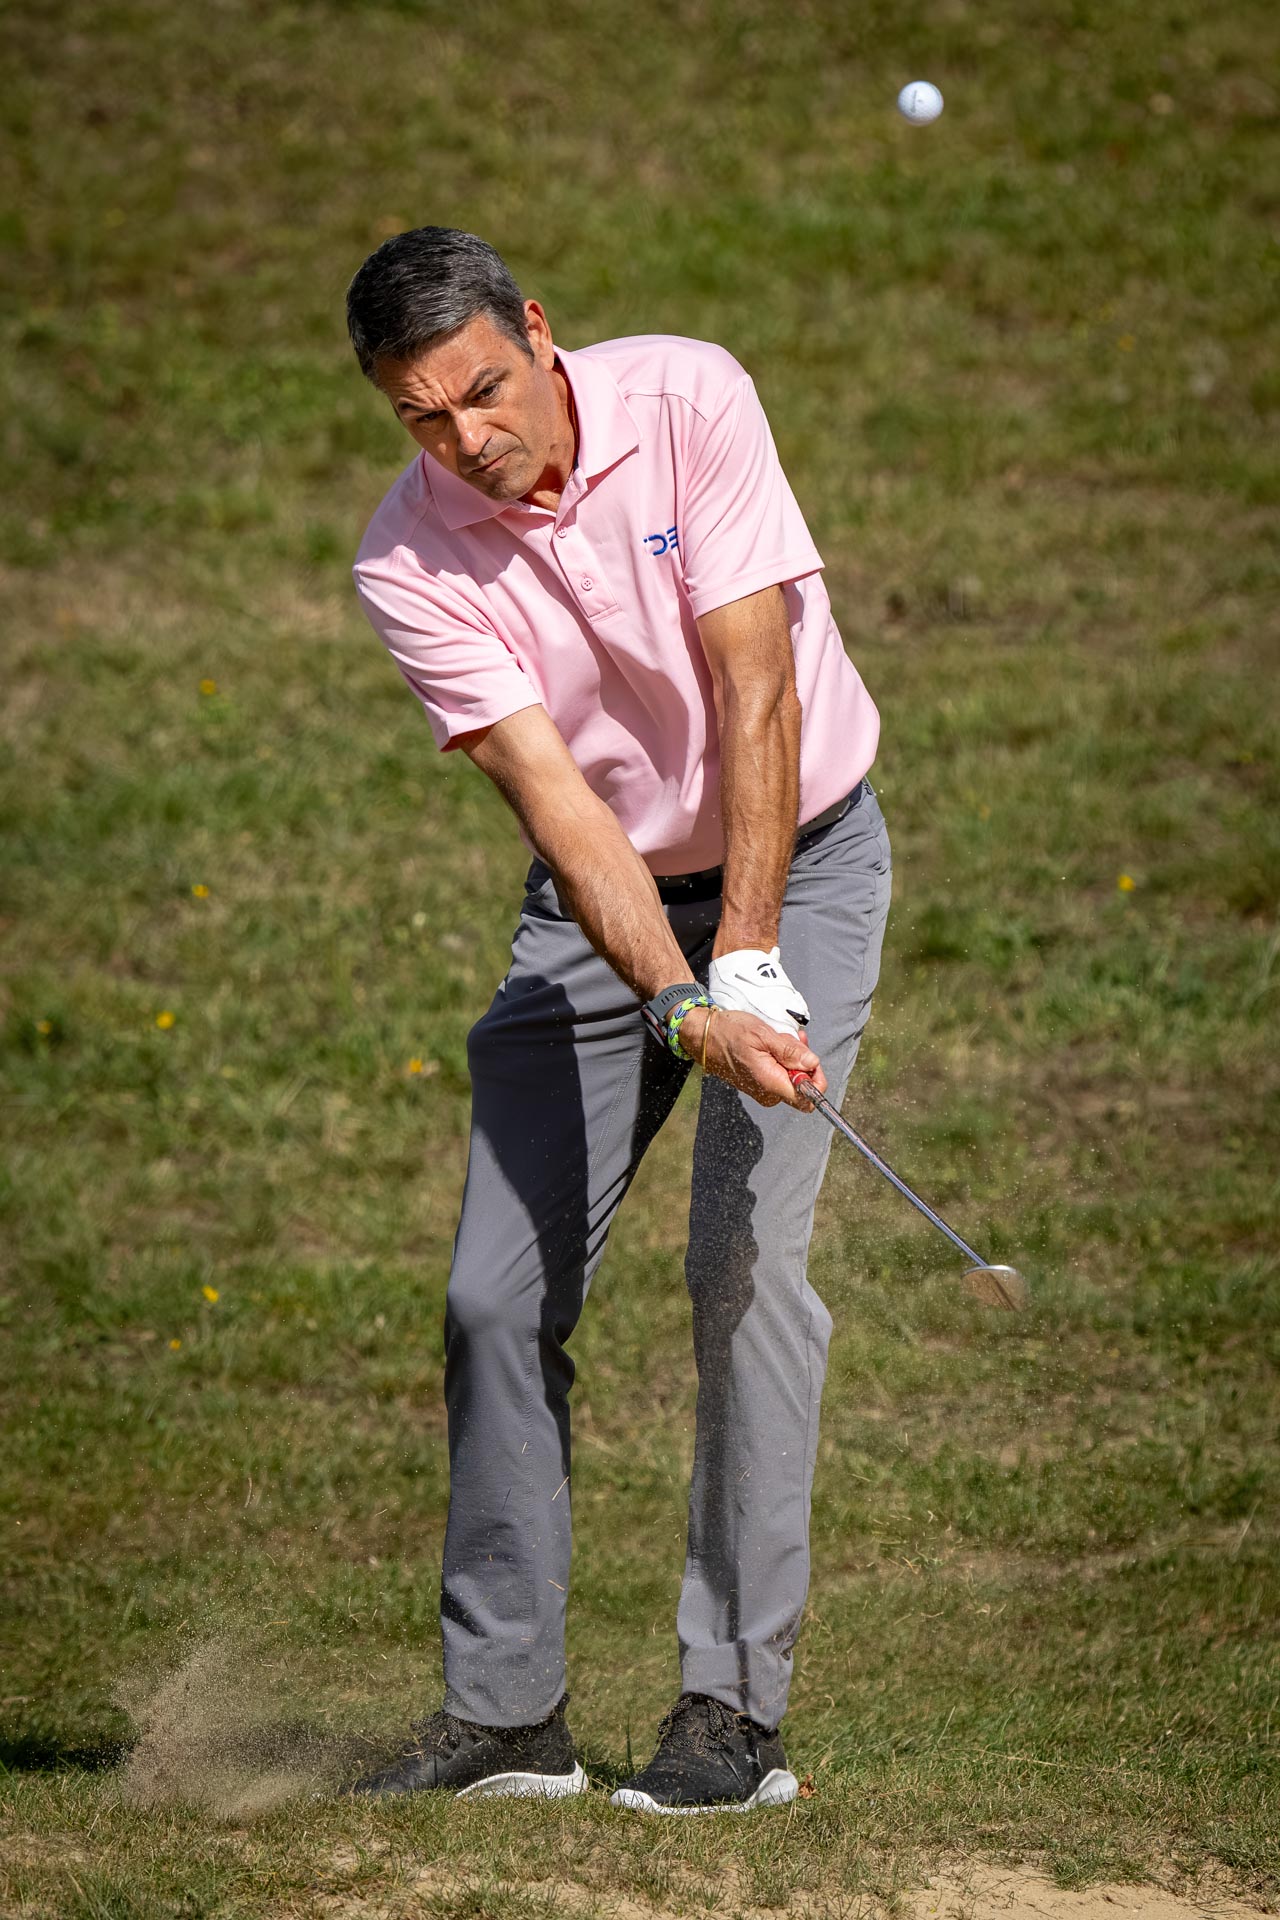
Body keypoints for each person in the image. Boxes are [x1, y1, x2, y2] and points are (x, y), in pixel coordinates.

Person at [342, 227, 891, 1813]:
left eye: (483, 392)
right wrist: (680, 1001)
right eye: (421, 417)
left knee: (741, 1264)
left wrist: (752, 960)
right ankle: (508, 1716)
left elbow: (759, 690)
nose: (465, 439)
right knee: (492, 1297)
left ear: (537, 330)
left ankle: (731, 1714)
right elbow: (565, 813)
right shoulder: (405, 561)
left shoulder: (690, 399)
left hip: (804, 855)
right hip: (604, 904)